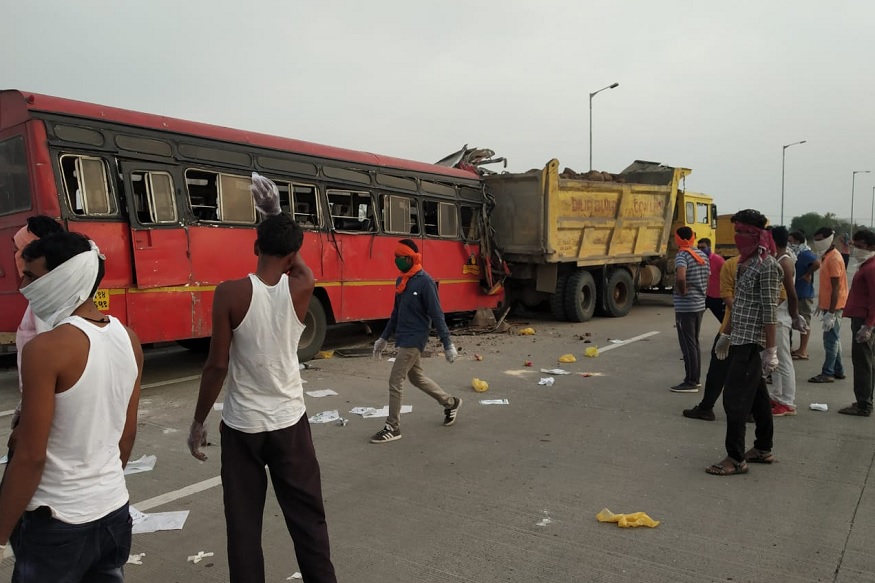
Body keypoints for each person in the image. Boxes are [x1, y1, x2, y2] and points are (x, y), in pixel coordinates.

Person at [188, 174, 338, 583]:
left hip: (243, 427)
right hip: (290, 421)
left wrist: (199, 422)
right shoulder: (302, 285)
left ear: (255, 248)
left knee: (243, 528)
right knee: (308, 521)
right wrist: (276, 214)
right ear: (292, 256)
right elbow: (296, 259)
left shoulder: (229, 293)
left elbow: (216, 366)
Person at [0, 232, 143, 581]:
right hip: (113, 511)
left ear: (62, 278)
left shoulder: (45, 350)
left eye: (31, 276)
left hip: (56, 523)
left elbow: (31, 456)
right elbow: (126, 435)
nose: (23, 286)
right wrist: (97, 489)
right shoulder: (128, 339)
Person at [706, 209, 780, 476]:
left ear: (757, 234)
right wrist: (726, 333)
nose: (738, 236)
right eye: (736, 231)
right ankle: (763, 448)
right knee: (758, 397)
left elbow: (769, 310)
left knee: (735, 400)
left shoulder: (767, 266)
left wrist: (771, 350)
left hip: (751, 342)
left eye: (743, 232)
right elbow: (740, 305)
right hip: (739, 337)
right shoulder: (744, 264)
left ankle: (736, 458)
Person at [371, 238, 461, 442]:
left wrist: (447, 344)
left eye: (400, 257)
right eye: (395, 257)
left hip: (415, 339)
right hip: (403, 337)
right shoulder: (401, 281)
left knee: (395, 380)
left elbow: (437, 314)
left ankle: (392, 427)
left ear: (411, 258)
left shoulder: (425, 282)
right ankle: (451, 403)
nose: (396, 261)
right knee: (416, 378)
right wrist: (383, 338)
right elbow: (395, 313)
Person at [10, 216, 64, 432]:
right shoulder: (51, 296)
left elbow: (48, 362)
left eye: (19, 250)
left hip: (42, 404)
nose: (15, 256)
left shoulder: (45, 303)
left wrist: (28, 416)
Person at [682, 254, 740, 419]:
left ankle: (706, 407)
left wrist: (727, 333)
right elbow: (780, 297)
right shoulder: (769, 264)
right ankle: (752, 411)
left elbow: (727, 297)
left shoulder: (733, 264)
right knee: (751, 372)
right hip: (755, 331)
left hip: (732, 328)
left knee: (718, 369)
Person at [768, 226, 806, 416]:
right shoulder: (778, 259)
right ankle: (777, 396)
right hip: (776, 316)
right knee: (774, 360)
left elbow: (791, 294)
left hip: (781, 318)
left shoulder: (784, 262)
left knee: (783, 361)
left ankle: (788, 402)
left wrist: (795, 316)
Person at [837, 230, 875, 416]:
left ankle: (863, 404)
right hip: (864, 319)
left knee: (862, 362)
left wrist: (868, 325)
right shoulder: (867, 264)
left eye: (860, 246)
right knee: (867, 361)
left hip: (864, 320)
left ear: (871, 246)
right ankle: (865, 400)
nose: (856, 250)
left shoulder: (871, 267)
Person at [670, 227, 710, 392]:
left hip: (685, 307)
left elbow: (681, 277)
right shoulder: (702, 255)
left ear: (678, 239)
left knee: (687, 344)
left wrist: (682, 290)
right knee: (694, 342)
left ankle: (691, 381)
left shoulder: (682, 256)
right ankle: (695, 378)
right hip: (699, 304)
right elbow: (708, 277)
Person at [808, 227, 849, 383]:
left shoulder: (834, 259)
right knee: (834, 339)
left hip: (835, 306)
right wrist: (822, 304)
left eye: (820, 239)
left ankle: (828, 373)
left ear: (828, 239)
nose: (817, 242)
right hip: (830, 305)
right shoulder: (827, 256)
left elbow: (836, 287)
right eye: (816, 240)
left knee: (830, 341)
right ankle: (838, 370)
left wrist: (831, 312)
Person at [788, 230, 820, 360]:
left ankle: (803, 350)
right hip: (795, 292)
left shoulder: (805, 253)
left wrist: (807, 274)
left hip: (803, 293)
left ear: (796, 241)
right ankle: (794, 348)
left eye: (790, 241)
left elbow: (817, 263)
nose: (789, 243)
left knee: (804, 321)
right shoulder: (795, 254)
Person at [698, 237, 726, 323]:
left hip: (717, 297)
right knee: (695, 319)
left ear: (709, 247)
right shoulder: (698, 260)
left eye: (703, 247)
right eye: (698, 248)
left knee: (724, 321)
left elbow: (727, 277)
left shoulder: (718, 260)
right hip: (702, 296)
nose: (700, 250)